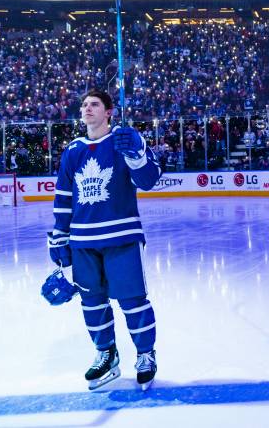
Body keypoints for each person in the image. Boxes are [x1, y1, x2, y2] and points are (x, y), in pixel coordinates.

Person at [47, 89, 161, 391]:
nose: (87, 109)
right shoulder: (72, 150)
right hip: (82, 241)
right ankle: (106, 354)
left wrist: (137, 154)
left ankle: (145, 355)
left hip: (121, 236)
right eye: (84, 105)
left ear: (109, 112)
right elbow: (63, 197)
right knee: (92, 302)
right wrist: (59, 236)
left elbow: (149, 181)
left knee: (133, 301)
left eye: (94, 104)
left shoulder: (125, 142)